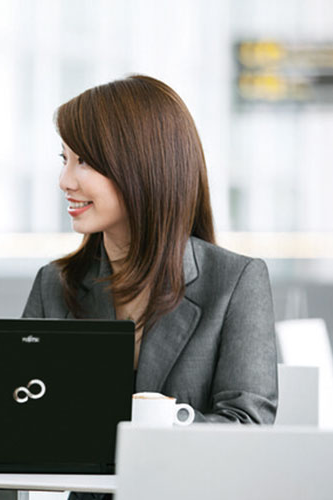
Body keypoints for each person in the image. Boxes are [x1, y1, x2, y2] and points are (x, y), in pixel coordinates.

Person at [23, 75, 278, 425]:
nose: (65, 181)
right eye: (64, 159)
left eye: (83, 161)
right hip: (80, 483)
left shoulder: (235, 282)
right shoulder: (55, 282)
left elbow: (247, 425)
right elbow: (19, 415)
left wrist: (156, 422)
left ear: (141, 166)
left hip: (182, 481)